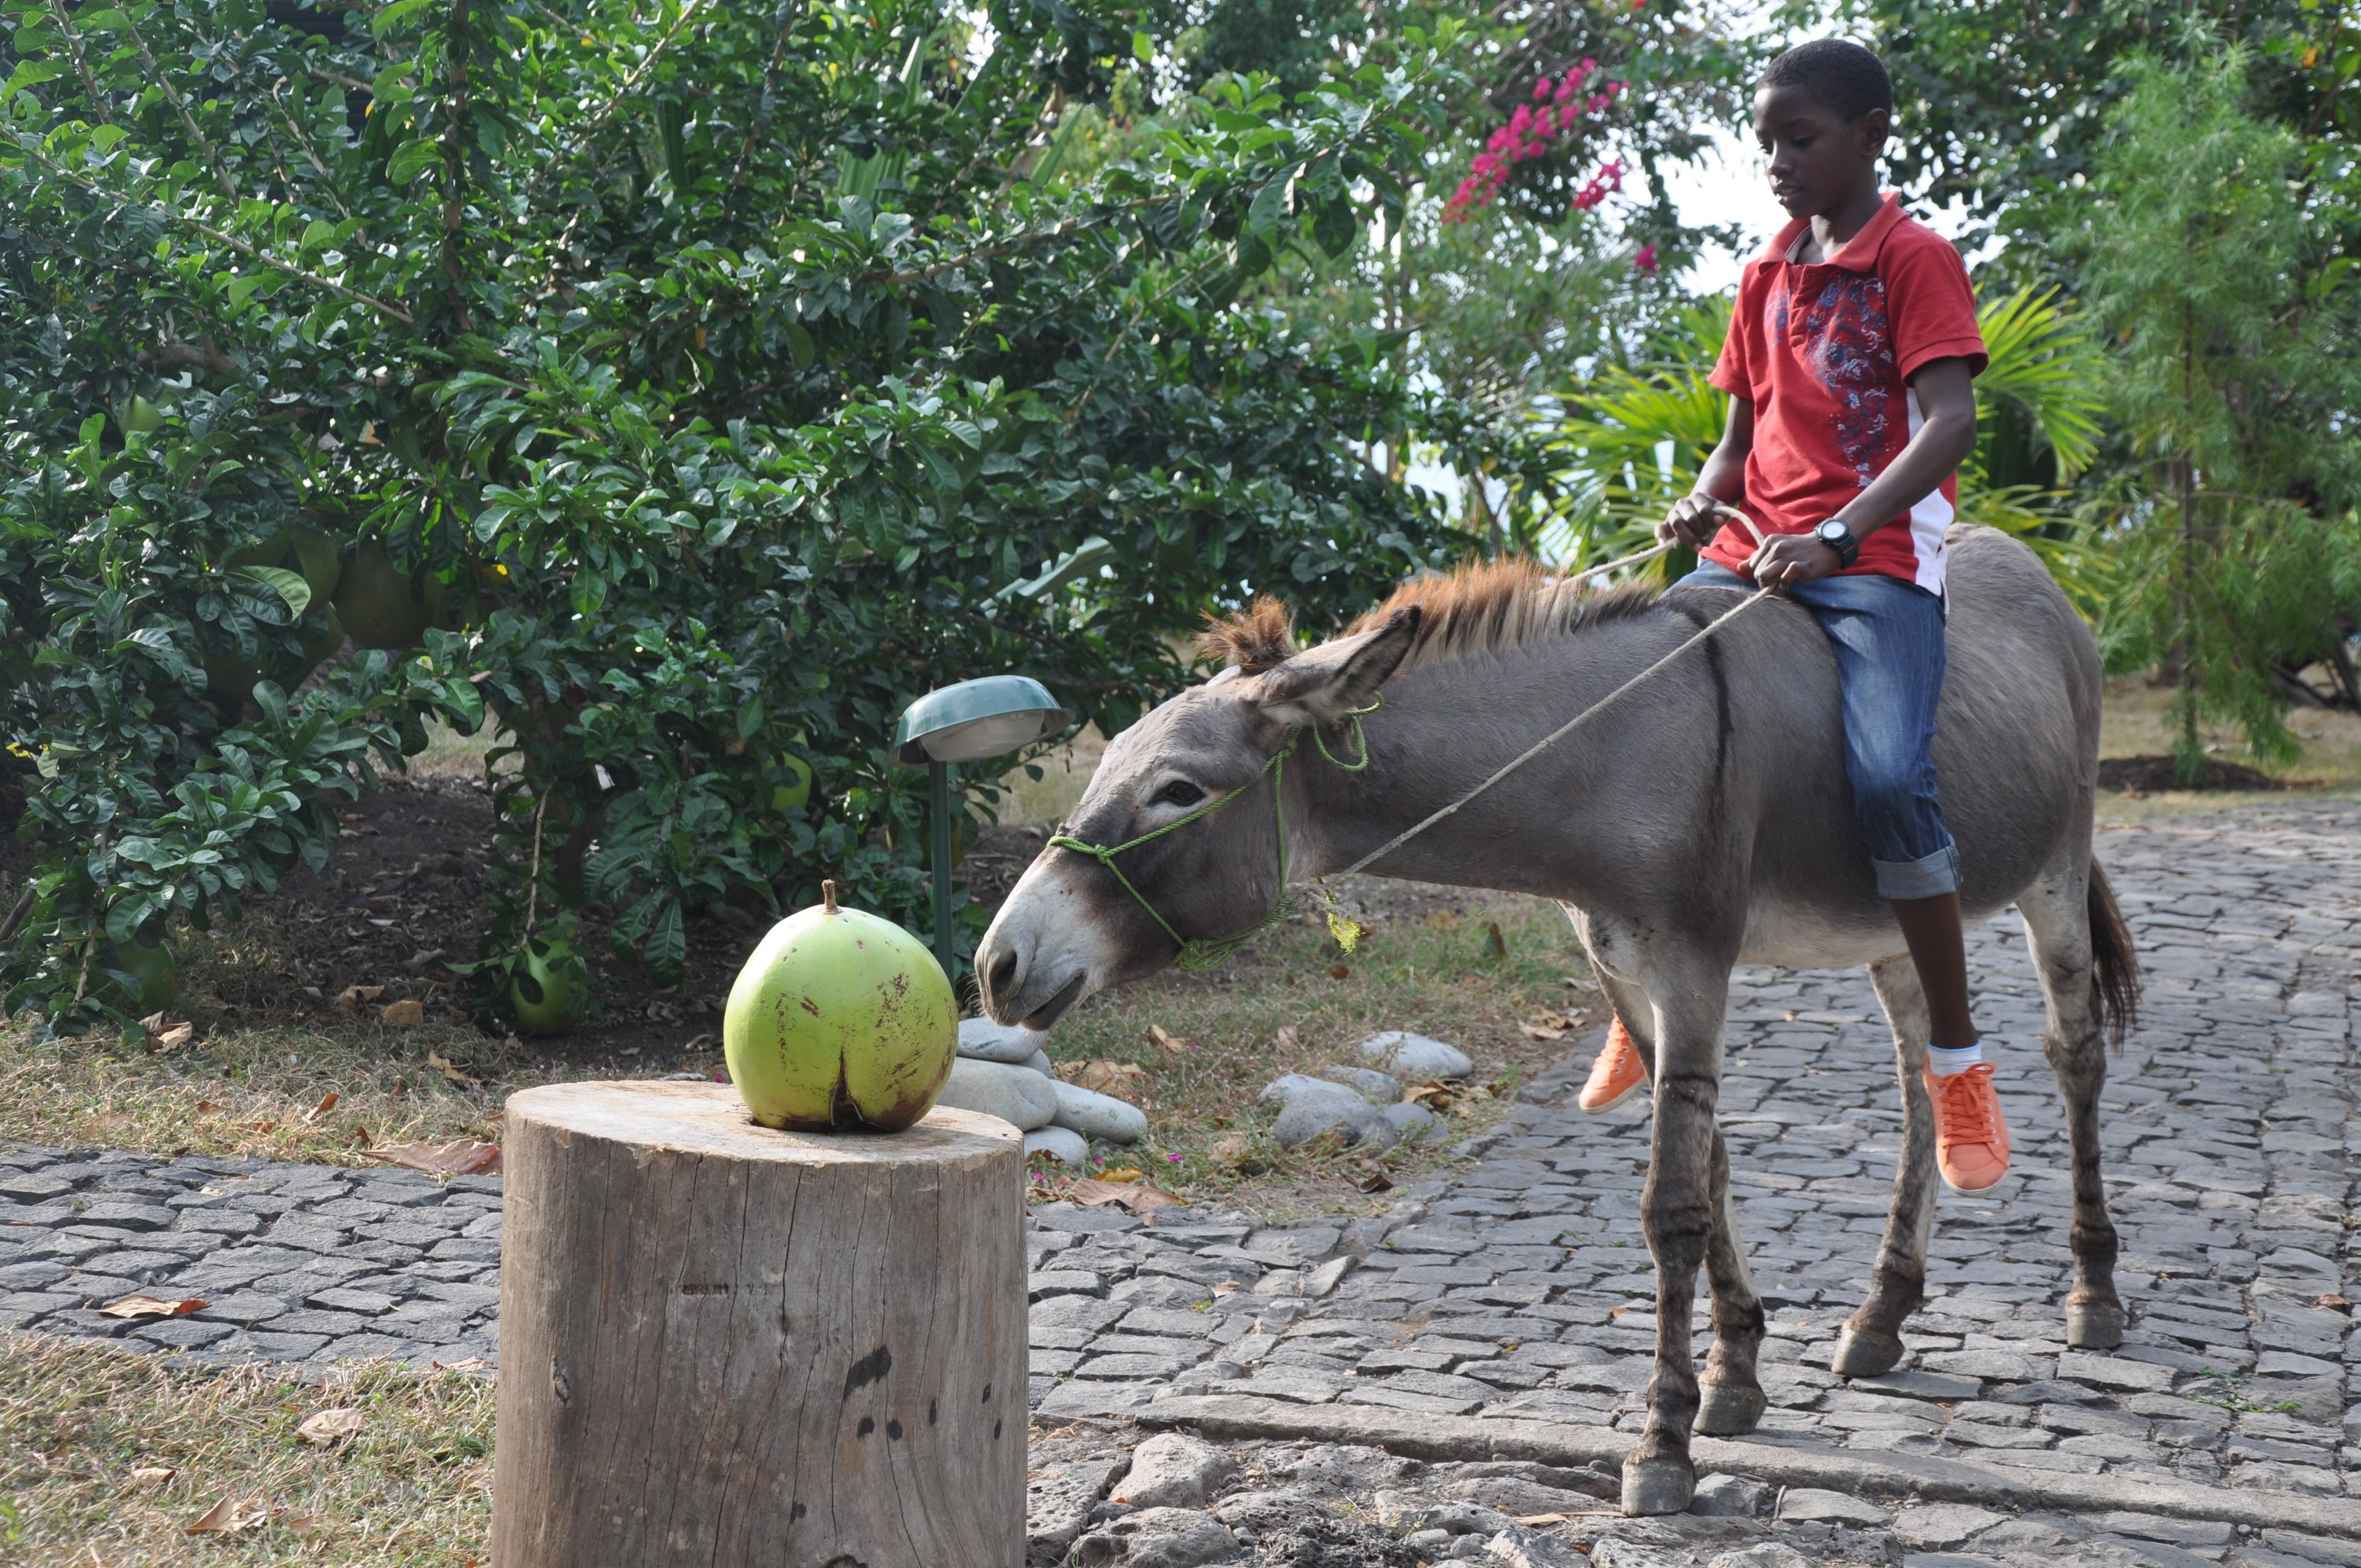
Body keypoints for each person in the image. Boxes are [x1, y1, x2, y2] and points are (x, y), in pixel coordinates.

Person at [1575, 38, 2009, 1194]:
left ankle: (1959, 1059)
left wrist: (1837, 530)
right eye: (1765, 139)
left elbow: (1951, 424)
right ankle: (1643, 1006)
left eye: (1800, 137)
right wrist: (1703, 499)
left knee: (1886, 778)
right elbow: (1737, 439)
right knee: (1622, 735)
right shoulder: (1767, 268)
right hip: (1744, 557)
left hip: (1869, 565)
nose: (1776, 160)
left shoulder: (1914, 260)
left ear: (1871, 133)